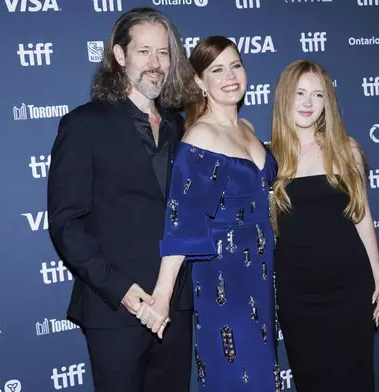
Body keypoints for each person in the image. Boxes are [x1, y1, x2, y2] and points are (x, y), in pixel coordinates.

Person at [46, 7, 199, 392]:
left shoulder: (181, 125)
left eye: (164, 53)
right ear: (119, 55)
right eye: (144, 51)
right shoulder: (84, 124)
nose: (156, 63)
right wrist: (125, 292)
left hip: (175, 305)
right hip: (115, 309)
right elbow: (67, 224)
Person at [134, 36, 281, 391]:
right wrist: (162, 296)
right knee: (235, 372)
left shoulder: (247, 129)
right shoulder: (200, 136)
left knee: (262, 371)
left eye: (236, 65)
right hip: (225, 277)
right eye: (217, 69)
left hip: (260, 274)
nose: (230, 76)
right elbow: (182, 219)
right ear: (200, 82)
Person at [270, 60, 379, 391]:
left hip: (350, 287)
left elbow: (361, 214)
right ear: (284, 98)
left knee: (357, 380)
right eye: (299, 93)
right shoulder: (268, 158)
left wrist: (377, 274)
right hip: (297, 293)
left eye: (317, 94)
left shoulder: (348, 151)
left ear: (327, 102)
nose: (307, 103)